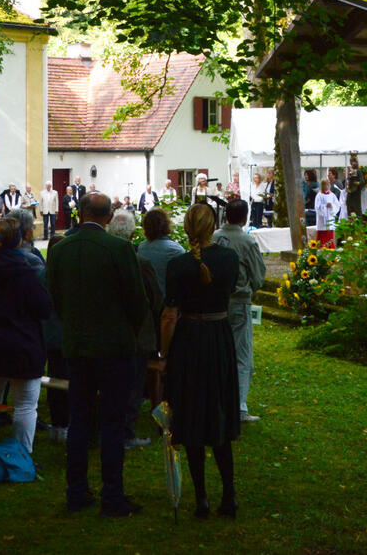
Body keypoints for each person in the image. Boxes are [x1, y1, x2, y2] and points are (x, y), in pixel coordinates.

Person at [47, 192, 147, 516]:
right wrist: (128, 330)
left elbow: (55, 297)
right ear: (108, 217)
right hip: (114, 346)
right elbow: (136, 300)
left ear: (80, 214)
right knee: (112, 421)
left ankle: (76, 491)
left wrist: (73, 324)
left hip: (77, 345)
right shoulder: (119, 249)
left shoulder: (59, 250)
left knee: (79, 420)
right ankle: (112, 494)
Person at [161, 202, 241, 518]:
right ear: (213, 226)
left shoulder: (178, 265)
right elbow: (229, 290)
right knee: (217, 407)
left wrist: (164, 353)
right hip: (218, 337)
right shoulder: (229, 258)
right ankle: (229, 495)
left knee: (191, 412)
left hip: (190, 339)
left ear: (187, 228)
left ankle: (201, 499)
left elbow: (170, 314)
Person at [0, 217, 52, 455]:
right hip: (21, 344)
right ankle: (21, 456)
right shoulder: (24, 271)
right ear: (18, 240)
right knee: (25, 405)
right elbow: (43, 307)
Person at [108, 209, 162, 450]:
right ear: (132, 234)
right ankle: (126, 433)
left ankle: (112, 429)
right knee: (132, 386)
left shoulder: (104, 259)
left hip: (109, 331)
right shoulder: (140, 263)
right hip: (136, 333)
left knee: (114, 384)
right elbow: (156, 299)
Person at [213, 199, 266, 425]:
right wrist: (249, 287)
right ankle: (239, 406)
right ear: (245, 218)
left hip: (214, 303)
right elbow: (258, 275)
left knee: (217, 353)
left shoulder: (214, 237)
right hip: (238, 300)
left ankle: (217, 402)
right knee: (242, 356)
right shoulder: (247, 241)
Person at [138, 207, 186, 296]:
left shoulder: (141, 247)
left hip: (148, 299)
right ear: (166, 225)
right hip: (168, 299)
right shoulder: (175, 249)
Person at [313, 180, 340, 248]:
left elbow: (337, 205)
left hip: (330, 218)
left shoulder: (332, 195)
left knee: (330, 237)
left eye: (328, 185)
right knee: (322, 239)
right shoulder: (319, 195)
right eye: (325, 185)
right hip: (322, 221)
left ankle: (330, 248)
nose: (326, 186)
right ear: (322, 186)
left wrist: (332, 206)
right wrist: (325, 206)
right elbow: (317, 207)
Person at [345, 154, 363, 218]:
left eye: (353, 161)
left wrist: (357, 183)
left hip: (356, 193)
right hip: (350, 192)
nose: (352, 163)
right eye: (351, 161)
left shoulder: (358, 171)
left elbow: (362, 181)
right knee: (349, 208)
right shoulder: (351, 171)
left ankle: (357, 221)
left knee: (356, 209)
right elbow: (349, 180)